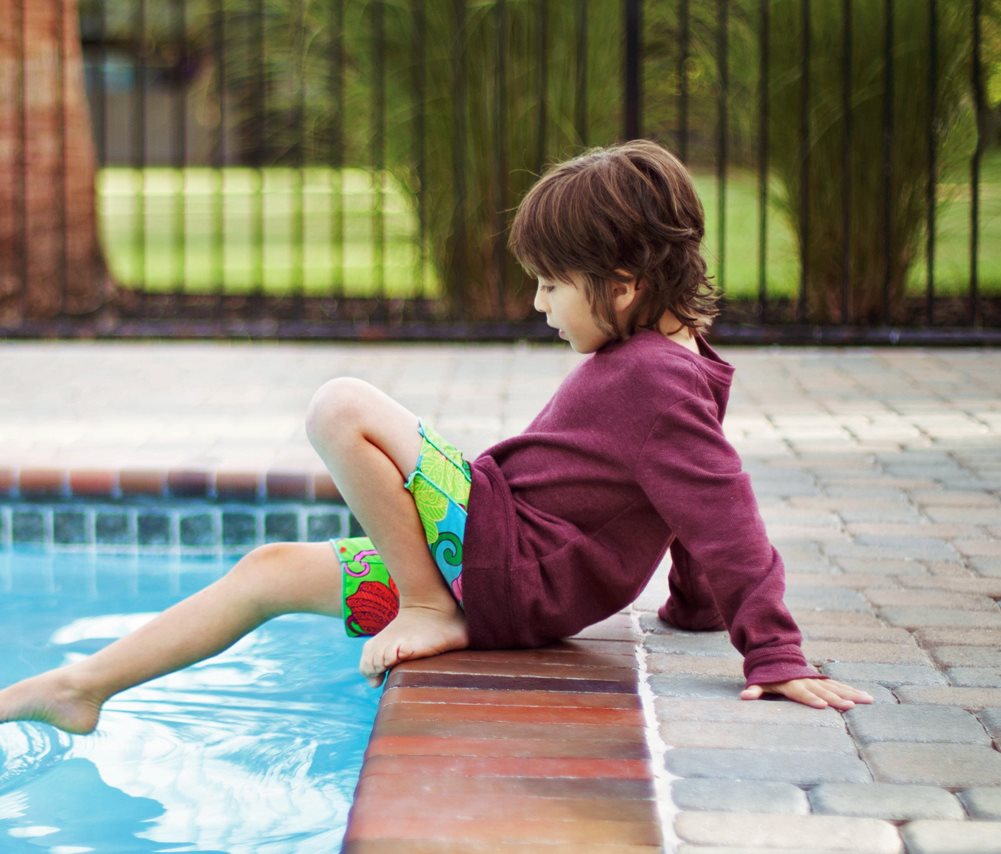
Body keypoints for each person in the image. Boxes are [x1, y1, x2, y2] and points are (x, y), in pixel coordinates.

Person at [0, 139, 872, 736]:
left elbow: (725, 516)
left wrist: (775, 651)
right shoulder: (682, 368)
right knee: (266, 573)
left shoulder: (654, 377)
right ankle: (84, 688)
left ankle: (422, 606)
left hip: (497, 565)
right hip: (486, 571)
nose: (538, 308)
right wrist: (692, 609)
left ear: (622, 281)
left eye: (549, 287)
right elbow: (684, 504)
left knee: (341, 405)